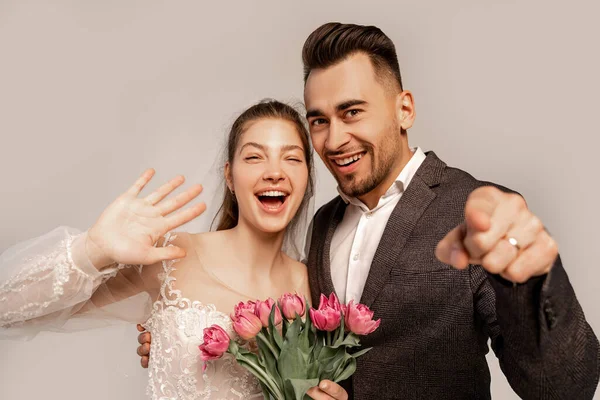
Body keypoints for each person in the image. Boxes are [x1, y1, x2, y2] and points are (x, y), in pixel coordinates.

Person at [132, 22, 600, 399]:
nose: (334, 141)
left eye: (352, 112)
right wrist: (186, 341)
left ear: (404, 109)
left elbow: (565, 388)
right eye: (319, 120)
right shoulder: (323, 224)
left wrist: (532, 283)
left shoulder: (476, 210)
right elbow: (295, 348)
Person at [0, 100, 348, 400]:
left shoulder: (314, 287)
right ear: (229, 176)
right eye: (255, 156)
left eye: (291, 159)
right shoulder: (172, 258)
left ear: (306, 178)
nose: (274, 172)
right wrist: (93, 249)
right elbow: (8, 307)